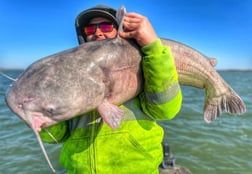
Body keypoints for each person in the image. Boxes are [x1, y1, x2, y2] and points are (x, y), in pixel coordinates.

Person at [40, 5, 182, 174]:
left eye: (106, 27)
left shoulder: (144, 66)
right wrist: (43, 118)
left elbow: (166, 110)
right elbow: (57, 137)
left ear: (119, 30)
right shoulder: (67, 76)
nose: (98, 33)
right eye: (90, 28)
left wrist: (152, 46)